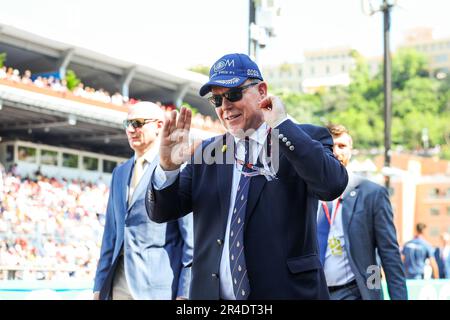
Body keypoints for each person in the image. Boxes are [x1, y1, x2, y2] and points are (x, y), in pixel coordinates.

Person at [146, 53, 348, 300]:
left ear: (262, 91)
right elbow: (161, 212)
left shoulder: (300, 138)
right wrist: (167, 167)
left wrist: (282, 125)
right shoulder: (207, 152)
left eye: (233, 94)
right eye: (216, 100)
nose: (225, 106)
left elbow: (332, 185)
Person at [93, 101, 193, 300]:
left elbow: (190, 239)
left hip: (159, 286)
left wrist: (184, 293)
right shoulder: (119, 172)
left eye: (138, 123)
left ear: (159, 126)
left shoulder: (176, 167)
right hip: (118, 282)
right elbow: (110, 236)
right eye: (127, 124)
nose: (131, 129)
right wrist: (99, 286)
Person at [318, 124, 407, 300]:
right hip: (315, 292)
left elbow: (389, 254)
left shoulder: (372, 194)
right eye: (330, 146)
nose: (336, 152)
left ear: (351, 150)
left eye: (342, 146)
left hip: (354, 292)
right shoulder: (306, 192)